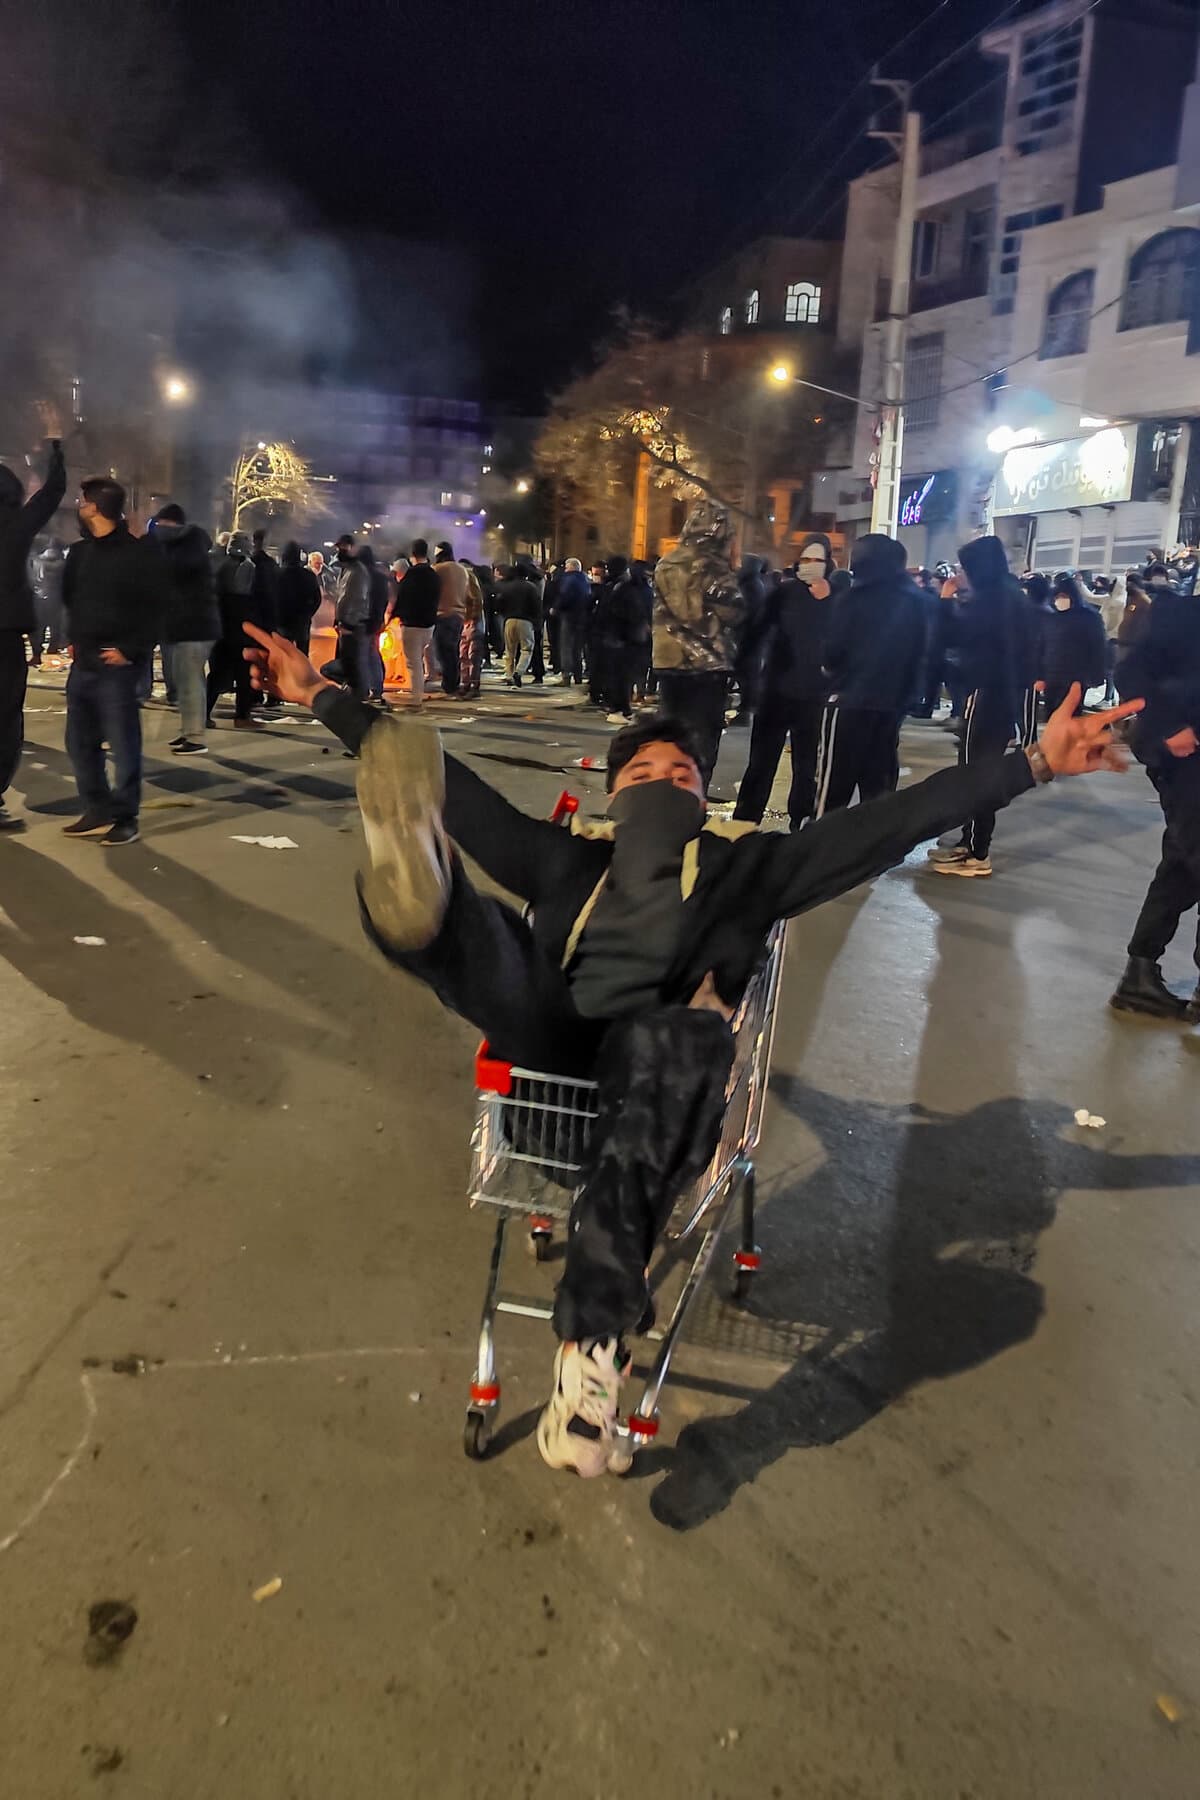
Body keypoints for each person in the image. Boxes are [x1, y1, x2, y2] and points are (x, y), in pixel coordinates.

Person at [242, 620, 1141, 1477]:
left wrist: (1030, 762)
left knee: (678, 1036)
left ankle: (588, 1353)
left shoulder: (752, 868)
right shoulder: (569, 860)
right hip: (554, 1064)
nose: (668, 777)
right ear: (613, 789)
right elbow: (456, 794)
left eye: (685, 772)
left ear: (704, 796)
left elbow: (885, 826)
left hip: (659, 1093)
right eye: (647, 768)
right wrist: (325, 695)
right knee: (497, 954)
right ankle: (423, 902)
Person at [1109, 576, 1200, 1019]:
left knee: (1182, 867)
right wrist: (1169, 726)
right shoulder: (1182, 614)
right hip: (1187, 762)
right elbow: (1129, 672)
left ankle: (1139, 973)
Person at [925, 536, 1041, 879]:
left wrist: (946, 600)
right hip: (1003, 695)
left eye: (965, 566)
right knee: (980, 769)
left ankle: (977, 852)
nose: (961, 573)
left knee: (974, 772)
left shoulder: (990, 602)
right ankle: (970, 841)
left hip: (985, 693)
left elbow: (951, 636)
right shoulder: (1011, 597)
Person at [61, 477, 166, 845]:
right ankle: (97, 805)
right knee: (78, 742)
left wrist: (131, 648)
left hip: (117, 667)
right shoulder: (80, 553)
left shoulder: (137, 554)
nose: (79, 504)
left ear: (96, 506)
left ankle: (126, 816)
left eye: (83, 500)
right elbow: (70, 599)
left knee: (123, 745)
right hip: (84, 664)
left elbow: (155, 607)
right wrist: (72, 639)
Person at [813, 534, 927, 816]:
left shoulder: (853, 599)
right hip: (891, 705)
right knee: (878, 789)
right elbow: (921, 654)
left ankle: (820, 852)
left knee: (833, 788)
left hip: (848, 700)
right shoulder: (915, 601)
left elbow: (833, 652)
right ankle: (873, 852)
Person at [733, 533, 840, 830]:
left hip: (815, 694)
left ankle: (801, 818)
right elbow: (756, 631)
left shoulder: (838, 596)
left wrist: (828, 601)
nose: (811, 565)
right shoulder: (784, 592)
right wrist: (746, 674)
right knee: (761, 761)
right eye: (805, 559)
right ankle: (744, 820)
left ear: (829, 562)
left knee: (806, 764)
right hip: (776, 691)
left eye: (818, 560)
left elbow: (845, 639)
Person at [652, 500, 746, 781]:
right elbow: (735, 613)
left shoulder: (666, 562)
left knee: (671, 738)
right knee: (701, 745)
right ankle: (690, 802)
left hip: (668, 661)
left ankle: (664, 795)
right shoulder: (713, 567)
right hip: (705, 668)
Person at [0, 434, 66, 831]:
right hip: (5, 633)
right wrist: (55, 450)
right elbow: (53, 491)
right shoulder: (14, 527)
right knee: (5, 715)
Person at [151, 503, 218, 756]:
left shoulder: (190, 547)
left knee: (190, 684)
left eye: (161, 524)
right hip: (184, 626)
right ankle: (188, 731)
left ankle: (195, 737)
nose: (157, 529)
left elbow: (175, 574)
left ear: (171, 524)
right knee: (184, 682)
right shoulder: (179, 546)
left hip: (195, 627)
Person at [207, 531, 259, 728]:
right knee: (243, 674)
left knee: (217, 674)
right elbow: (246, 597)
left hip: (221, 627)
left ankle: (203, 712)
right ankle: (242, 716)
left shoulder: (219, 564)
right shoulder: (247, 567)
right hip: (240, 627)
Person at [1040, 574, 1106, 717]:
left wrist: (1096, 675)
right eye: (1057, 597)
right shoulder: (1051, 618)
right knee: (1051, 714)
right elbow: (1042, 645)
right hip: (1052, 675)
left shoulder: (1089, 617)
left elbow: (1097, 647)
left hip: (1076, 675)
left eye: (1063, 596)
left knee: (1070, 715)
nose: (1059, 600)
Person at [388, 538, 440, 708]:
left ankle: (416, 697)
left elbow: (402, 598)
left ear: (413, 555)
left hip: (411, 624)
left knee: (414, 662)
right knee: (419, 658)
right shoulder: (434, 575)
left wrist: (391, 618)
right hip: (429, 625)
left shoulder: (411, 575)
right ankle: (417, 694)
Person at [495, 563, 540, 686]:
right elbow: (536, 606)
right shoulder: (531, 587)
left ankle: (509, 675)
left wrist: (504, 614)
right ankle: (519, 672)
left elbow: (499, 603)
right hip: (526, 621)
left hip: (509, 620)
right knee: (526, 649)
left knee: (509, 651)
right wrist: (536, 622)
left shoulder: (507, 587)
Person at [433, 542, 468, 696]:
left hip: (442, 614)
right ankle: (454, 681)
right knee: (453, 650)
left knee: (443, 652)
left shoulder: (437, 569)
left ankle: (450, 684)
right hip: (459, 615)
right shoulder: (463, 570)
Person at [358, 543, 391, 702]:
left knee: (362, 656)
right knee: (374, 653)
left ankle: (363, 688)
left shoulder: (361, 575)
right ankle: (377, 687)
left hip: (362, 619)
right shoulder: (381, 577)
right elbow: (385, 599)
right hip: (376, 620)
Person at [277, 540, 321, 658]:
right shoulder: (309, 575)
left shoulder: (277, 575)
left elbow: (272, 598)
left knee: (284, 658)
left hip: (283, 623)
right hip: (302, 623)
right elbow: (317, 599)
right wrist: (308, 614)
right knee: (302, 657)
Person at [553, 557, 590, 686]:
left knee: (566, 647)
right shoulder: (585, 579)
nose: (565, 569)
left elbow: (564, 596)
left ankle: (566, 676)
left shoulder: (568, 579)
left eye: (567, 567)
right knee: (577, 648)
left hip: (569, 617)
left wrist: (556, 608)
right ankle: (578, 676)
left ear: (572, 567)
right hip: (582, 617)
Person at [459, 561, 485, 699]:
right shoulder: (465, 580)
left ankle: (473, 685)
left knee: (472, 655)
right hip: (466, 621)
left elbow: (476, 600)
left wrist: (472, 617)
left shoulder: (469, 580)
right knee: (464, 654)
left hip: (472, 622)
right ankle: (466, 683)